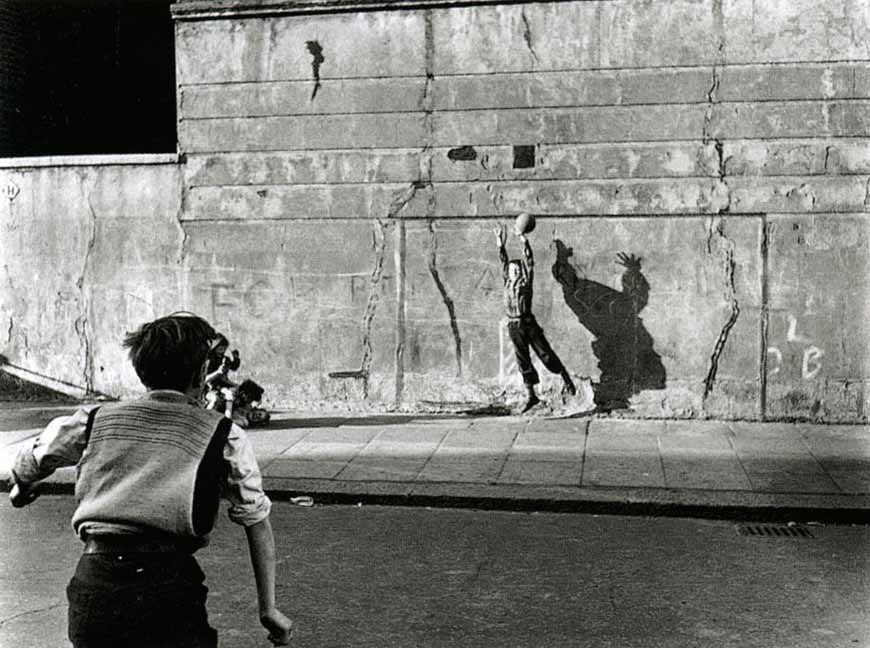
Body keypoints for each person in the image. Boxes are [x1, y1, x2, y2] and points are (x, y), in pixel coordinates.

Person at [8, 313, 293, 648]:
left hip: (95, 581)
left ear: (141, 368)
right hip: (169, 588)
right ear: (202, 373)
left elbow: (33, 459)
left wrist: (22, 485)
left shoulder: (94, 419)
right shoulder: (224, 435)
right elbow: (256, 520)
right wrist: (268, 609)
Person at [495, 219, 576, 412]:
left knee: (544, 353)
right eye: (511, 270)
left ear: (521, 272)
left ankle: (566, 379)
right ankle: (530, 395)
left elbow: (529, 261)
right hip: (513, 324)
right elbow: (503, 261)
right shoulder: (507, 282)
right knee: (522, 358)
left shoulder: (526, 282)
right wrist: (500, 243)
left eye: (516, 270)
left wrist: (523, 240)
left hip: (527, 322)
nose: (513, 271)